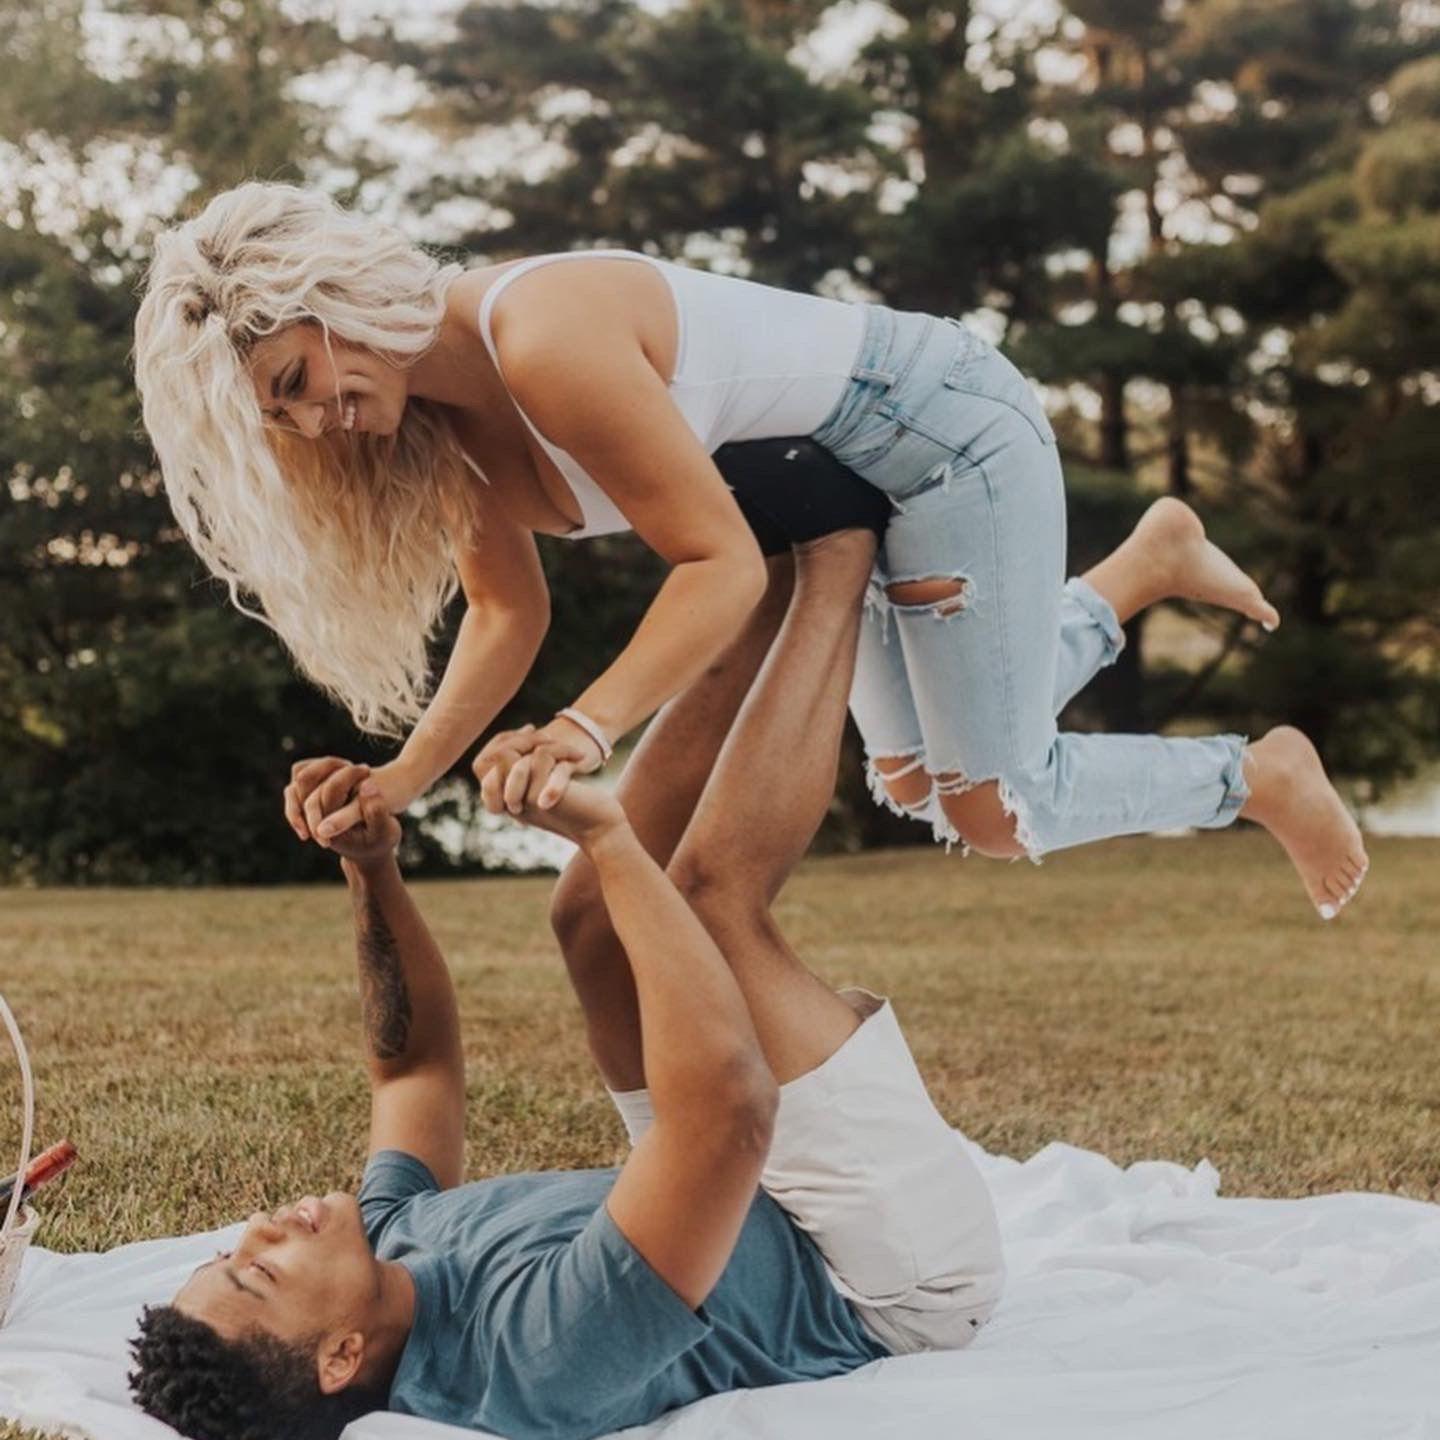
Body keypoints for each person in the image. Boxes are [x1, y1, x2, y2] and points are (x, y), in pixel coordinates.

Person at [133, 182, 1366, 918]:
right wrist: (403, 778)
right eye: (281, 419)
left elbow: (717, 563)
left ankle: (1257, 774)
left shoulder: (540, 335)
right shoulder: (441, 432)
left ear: (331, 298)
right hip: (841, 493)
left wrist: (583, 731)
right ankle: (1140, 569)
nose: (315, 421)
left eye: (294, 380)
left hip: (942, 437)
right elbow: (509, 614)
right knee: (911, 784)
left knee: (997, 807)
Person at [127, 526, 1006, 1440]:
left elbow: (412, 1068)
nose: (260, 1227)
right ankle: (837, 549)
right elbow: (730, 1114)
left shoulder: (386, 1251)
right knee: (708, 905)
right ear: (341, 1358)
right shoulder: (534, 1357)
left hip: (727, 1198)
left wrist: (371, 866)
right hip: (871, 1274)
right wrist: (609, 838)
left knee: (586, 919)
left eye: (234, 1249)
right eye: (260, 1270)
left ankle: (763, 573)